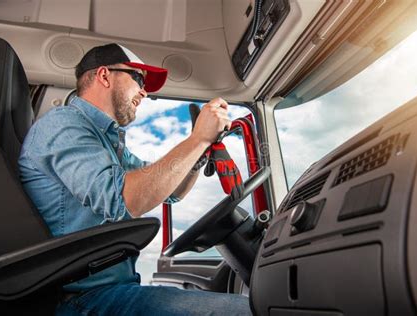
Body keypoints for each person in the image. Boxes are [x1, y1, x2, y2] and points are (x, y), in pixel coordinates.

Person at [18, 43, 251, 315]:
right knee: (248, 311)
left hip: (108, 291)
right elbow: (122, 199)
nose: (145, 91)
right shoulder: (64, 124)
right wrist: (197, 139)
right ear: (104, 76)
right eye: (138, 79)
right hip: (82, 300)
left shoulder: (105, 141)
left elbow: (171, 191)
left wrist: (198, 153)